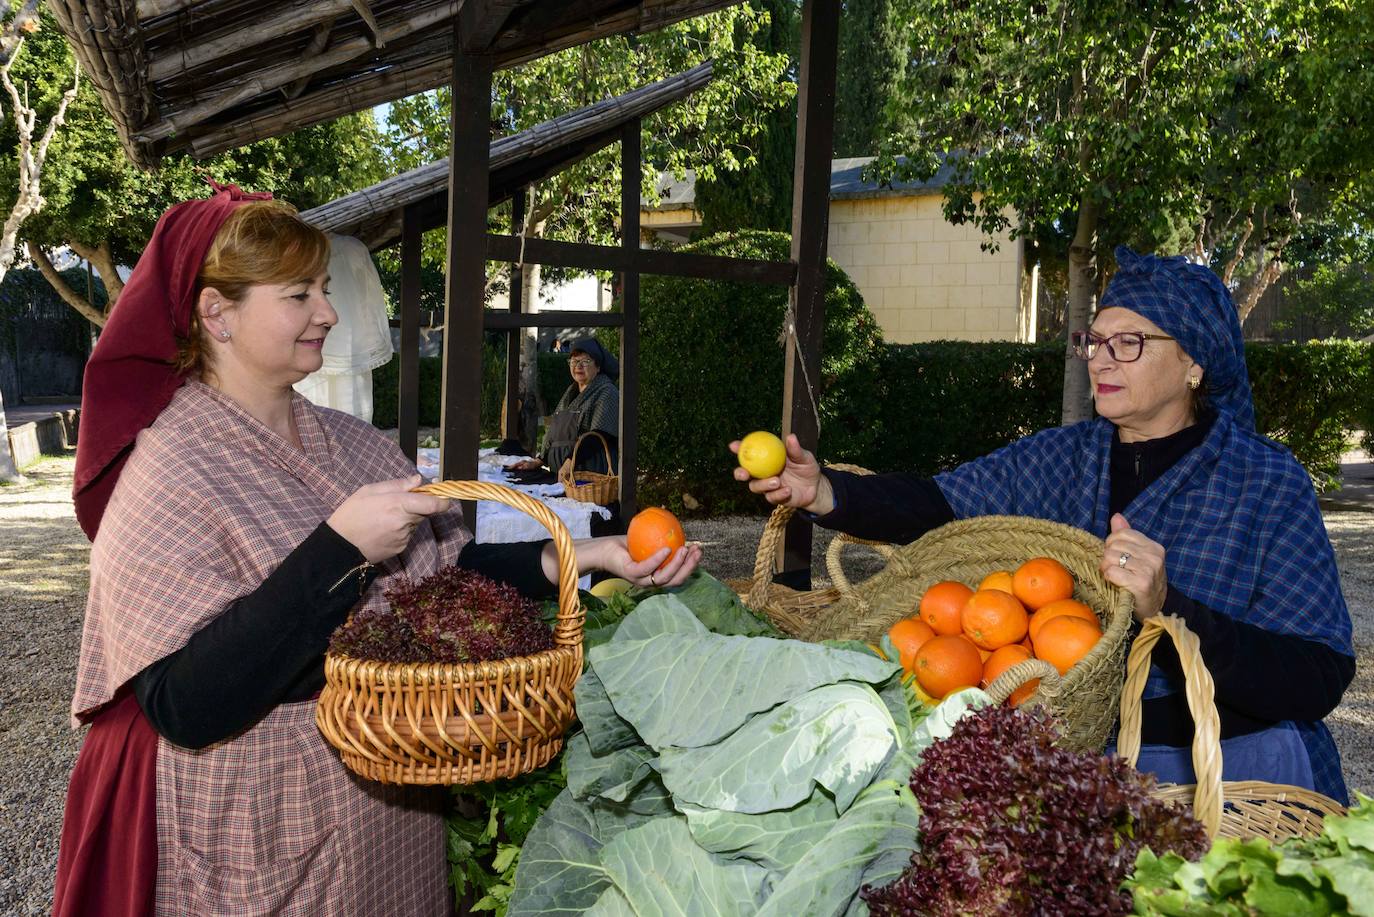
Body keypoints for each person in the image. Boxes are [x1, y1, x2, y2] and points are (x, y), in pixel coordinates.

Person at [54, 185, 699, 917]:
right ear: (216, 314)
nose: (327, 313)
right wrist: (341, 549)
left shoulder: (354, 443)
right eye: (298, 294)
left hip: (392, 817)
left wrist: (587, 554)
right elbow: (184, 702)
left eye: (324, 289)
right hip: (264, 828)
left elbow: (448, 577)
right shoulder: (170, 469)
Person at [733, 246, 1355, 803]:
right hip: (1068, 762)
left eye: (1129, 342)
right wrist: (825, 492)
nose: (1100, 360)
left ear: (1195, 361)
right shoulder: (1062, 458)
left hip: (1228, 772)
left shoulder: (1264, 481)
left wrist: (1171, 608)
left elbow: (1319, 672)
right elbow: (940, 504)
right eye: (1094, 341)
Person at [511, 338, 619, 476]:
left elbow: (598, 436)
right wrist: (538, 461)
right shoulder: (571, 392)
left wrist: (569, 463)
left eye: (585, 361)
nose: (578, 366)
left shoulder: (607, 392)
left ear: (598, 367)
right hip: (563, 476)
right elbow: (556, 433)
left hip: (590, 476)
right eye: (574, 361)